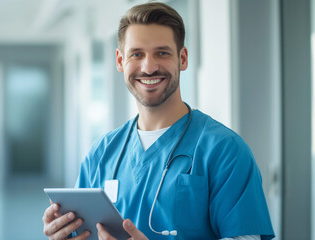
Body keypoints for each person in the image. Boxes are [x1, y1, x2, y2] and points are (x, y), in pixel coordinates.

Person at [43, 2, 275, 240]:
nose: (149, 67)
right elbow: (82, 229)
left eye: (162, 53)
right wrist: (63, 233)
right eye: (137, 54)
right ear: (120, 61)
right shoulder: (102, 153)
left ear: (182, 59)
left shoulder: (225, 150)